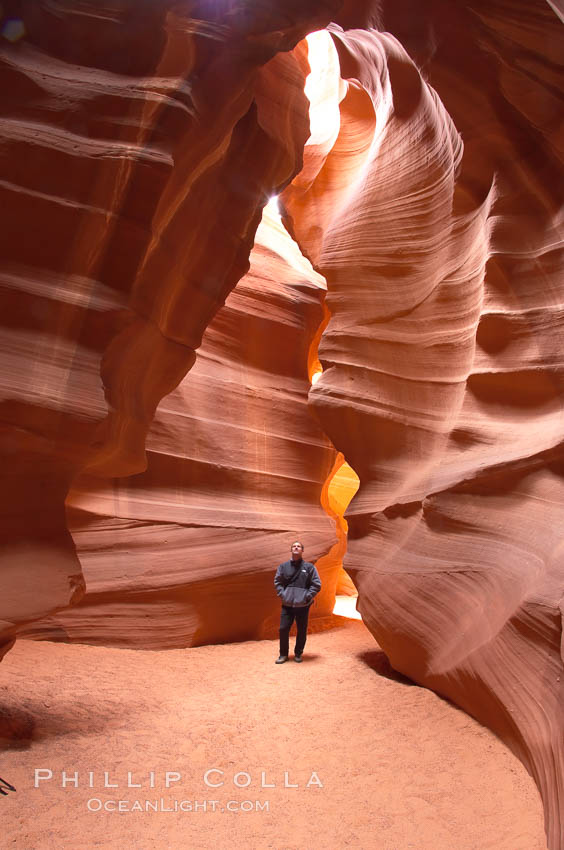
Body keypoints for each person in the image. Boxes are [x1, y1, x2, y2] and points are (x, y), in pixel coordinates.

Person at [274, 541, 321, 664]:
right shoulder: (283, 567)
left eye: (298, 546)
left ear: (302, 550)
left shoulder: (309, 568)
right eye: (294, 546)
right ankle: (283, 654)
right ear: (291, 550)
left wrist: (307, 596)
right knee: (283, 629)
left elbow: (316, 584)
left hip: (303, 605)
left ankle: (298, 653)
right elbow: (277, 582)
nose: (296, 547)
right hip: (287, 604)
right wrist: (283, 595)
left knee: (301, 630)